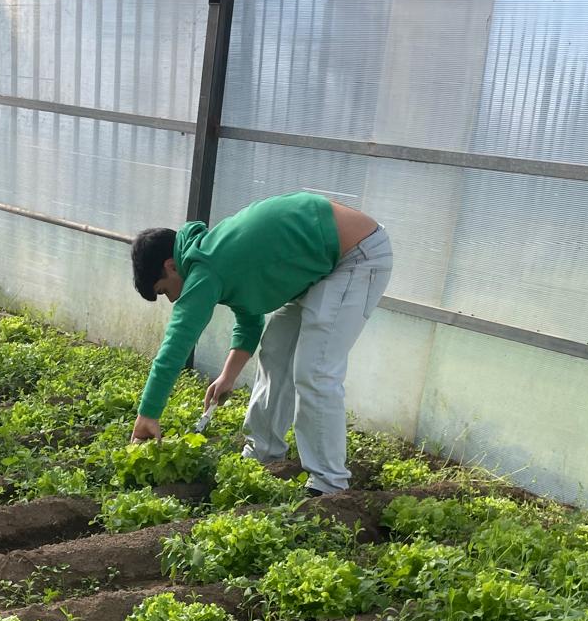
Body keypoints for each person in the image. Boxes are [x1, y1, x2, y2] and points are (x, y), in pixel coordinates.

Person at [130, 192, 392, 495]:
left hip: (357, 255)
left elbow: (176, 343)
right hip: (323, 262)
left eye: (164, 291)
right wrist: (228, 376)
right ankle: (263, 453)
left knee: (315, 369)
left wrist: (148, 412)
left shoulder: (205, 265)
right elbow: (250, 317)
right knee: (276, 352)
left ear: (171, 266)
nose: (173, 299)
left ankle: (329, 484)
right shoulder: (215, 255)